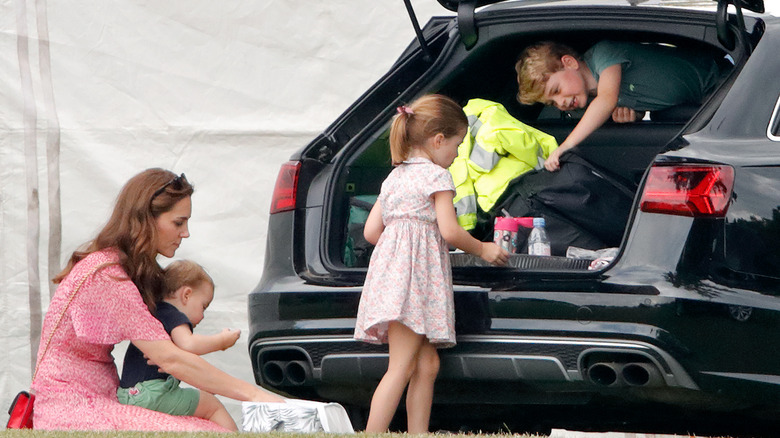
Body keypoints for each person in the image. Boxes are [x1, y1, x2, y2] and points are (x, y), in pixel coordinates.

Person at [31, 168, 284, 431]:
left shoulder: (115, 267)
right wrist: (256, 395)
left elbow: (170, 355)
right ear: (146, 219)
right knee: (209, 430)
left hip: (99, 399)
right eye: (178, 222)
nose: (185, 233)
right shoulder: (107, 276)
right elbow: (171, 359)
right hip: (72, 408)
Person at [353, 94, 509, 434]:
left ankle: (418, 433)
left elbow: (370, 232)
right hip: (414, 285)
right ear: (438, 140)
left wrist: (400, 250)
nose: (455, 156)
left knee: (427, 363)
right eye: (456, 146)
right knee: (401, 367)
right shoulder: (437, 178)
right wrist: (483, 249)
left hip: (395, 281)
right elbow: (450, 231)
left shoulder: (394, 178)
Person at [515, 40, 720, 171]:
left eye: (556, 90)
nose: (560, 103)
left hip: (717, 79)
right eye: (552, 103)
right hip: (693, 108)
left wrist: (566, 145)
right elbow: (635, 99)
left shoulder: (603, 54)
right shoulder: (588, 107)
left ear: (569, 63)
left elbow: (607, 98)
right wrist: (636, 115)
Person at [117, 260, 242, 430]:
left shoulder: (153, 313)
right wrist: (222, 341)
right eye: (203, 306)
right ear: (186, 295)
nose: (202, 316)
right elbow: (189, 345)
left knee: (201, 397)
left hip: (127, 394)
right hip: (152, 394)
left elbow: (183, 365)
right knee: (213, 406)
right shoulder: (172, 315)